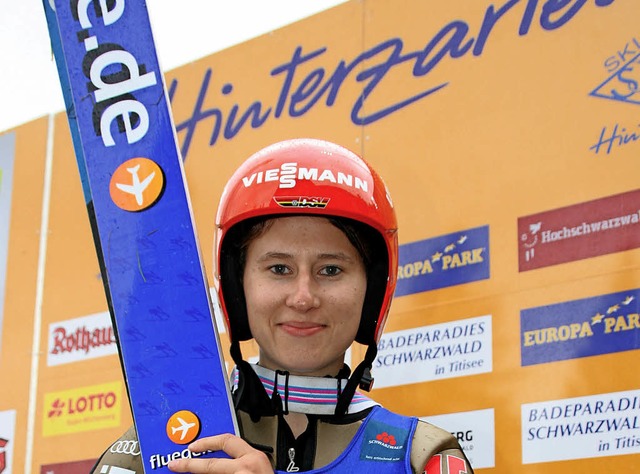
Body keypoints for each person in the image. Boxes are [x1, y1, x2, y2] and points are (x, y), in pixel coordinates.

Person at [91, 138, 474, 473]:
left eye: (330, 269)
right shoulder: (159, 447)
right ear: (238, 290)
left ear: (372, 291)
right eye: (279, 268)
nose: (303, 297)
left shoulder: (422, 457)